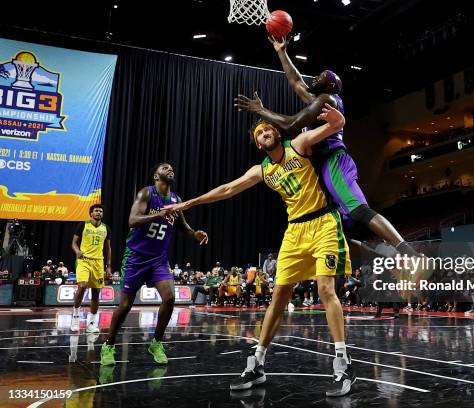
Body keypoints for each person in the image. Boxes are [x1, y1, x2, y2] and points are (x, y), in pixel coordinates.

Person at [166, 105, 355, 397]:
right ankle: (257, 364)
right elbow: (228, 189)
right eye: (259, 132)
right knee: (279, 295)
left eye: (268, 129)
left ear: (277, 133)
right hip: (294, 230)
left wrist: (334, 118)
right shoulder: (262, 170)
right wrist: (189, 203)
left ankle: (343, 364)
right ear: (257, 143)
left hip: (323, 222)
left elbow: (336, 124)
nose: (265, 132)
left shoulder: (300, 145)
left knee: (325, 289)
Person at [234, 36, 417, 258]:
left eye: (321, 76)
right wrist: (281, 52)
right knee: (332, 227)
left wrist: (260, 110)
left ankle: (410, 253)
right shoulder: (317, 98)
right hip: (320, 166)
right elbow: (295, 81)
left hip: (333, 159)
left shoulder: (326, 99)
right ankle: (382, 257)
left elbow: (291, 124)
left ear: (330, 85)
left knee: (359, 210)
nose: (316, 77)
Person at [100, 163, 208, 366]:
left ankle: (156, 343)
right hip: (136, 257)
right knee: (125, 306)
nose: (170, 170)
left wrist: (195, 233)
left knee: (170, 298)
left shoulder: (176, 200)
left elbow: (182, 226)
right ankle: (109, 344)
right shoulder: (146, 194)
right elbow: (132, 220)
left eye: (171, 168)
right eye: (165, 168)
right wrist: (158, 214)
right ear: (156, 176)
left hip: (158, 259)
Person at [71, 204, 111, 333]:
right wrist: (77, 251)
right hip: (84, 260)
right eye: (96, 211)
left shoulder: (106, 228)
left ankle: (92, 323)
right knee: (82, 286)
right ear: (91, 213)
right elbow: (74, 243)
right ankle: (76, 316)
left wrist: (108, 266)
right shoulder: (83, 225)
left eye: (101, 211)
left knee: (95, 293)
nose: (99, 213)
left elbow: (108, 248)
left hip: (98, 263)